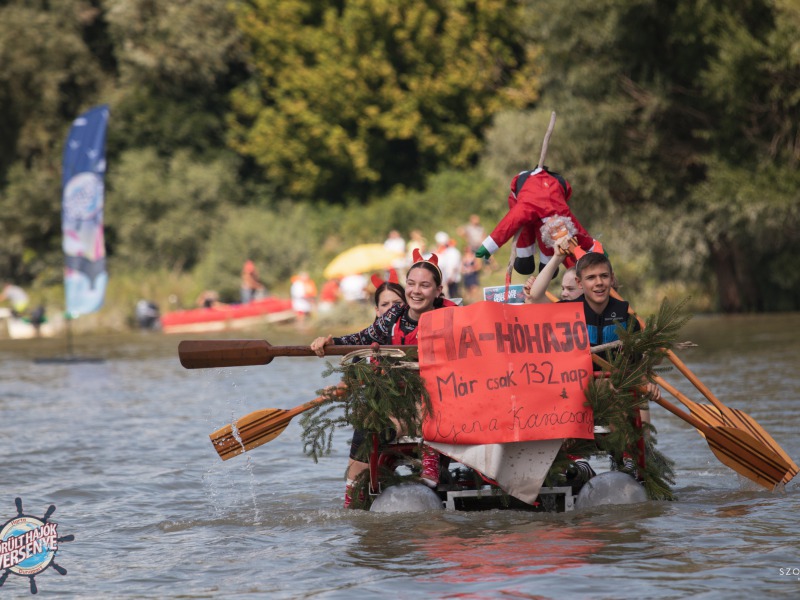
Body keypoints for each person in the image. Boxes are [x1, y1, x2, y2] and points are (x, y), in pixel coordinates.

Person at [311, 250, 458, 502]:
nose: (416, 291)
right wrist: (331, 341)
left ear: (438, 290)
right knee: (367, 418)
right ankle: (354, 493)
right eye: (411, 284)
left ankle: (431, 454)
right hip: (397, 399)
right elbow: (362, 338)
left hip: (441, 396)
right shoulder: (394, 315)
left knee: (429, 391)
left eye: (425, 285)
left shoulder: (453, 315)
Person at [340, 272, 407, 507]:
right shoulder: (368, 344)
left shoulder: (412, 334)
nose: (391, 310)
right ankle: (354, 496)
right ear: (377, 311)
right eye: (385, 305)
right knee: (367, 421)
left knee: (372, 421)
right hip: (380, 415)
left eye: (397, 304)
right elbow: (349, 383)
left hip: (413, 413)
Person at [474, 167, 603, 276]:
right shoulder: (526, 206)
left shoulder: (563, 211)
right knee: (523, 228)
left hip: (553, 192)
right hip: (526, 194)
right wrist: (488, 247)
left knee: (555, 243)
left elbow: (579, 233)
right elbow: (508, 224)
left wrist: (594, 247)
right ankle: (525, 258)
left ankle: (547, 264)